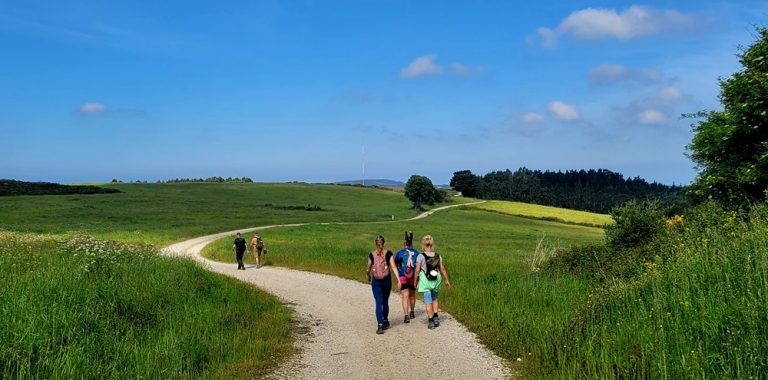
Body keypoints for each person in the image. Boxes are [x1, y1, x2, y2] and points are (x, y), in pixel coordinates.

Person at [414, 234, 452, 329]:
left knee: (428, 301)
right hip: (436, 279)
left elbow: (417, 270)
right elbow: (442, 269)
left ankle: (430, 320)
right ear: (432, 245)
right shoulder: (438, 256)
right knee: (435, 298)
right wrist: (446, 280)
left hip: (426, 281)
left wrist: (415, 281)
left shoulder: (420, 256)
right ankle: (436, 317)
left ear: (423, 245)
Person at [365, 235, 399, 334]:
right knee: (385, 301)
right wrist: (399, 280)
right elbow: (393, 267)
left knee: (378, 303)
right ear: (383, 243)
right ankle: (385, 321)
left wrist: (368, 276)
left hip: (376, 282)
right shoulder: (389, 253)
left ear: (375, 243)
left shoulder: (372, 255)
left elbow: (367, 269)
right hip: (386, 281)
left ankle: (380, 326)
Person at [394, 231, 418, 323]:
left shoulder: (400, 253)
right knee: (412, 295)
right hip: (413, 276)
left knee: (405, 296)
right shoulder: (416, 252)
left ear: (404, 242)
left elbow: (395, 264)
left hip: (403, 276)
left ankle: (406, 315)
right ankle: (412, 312)